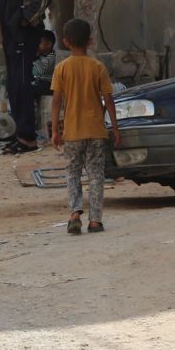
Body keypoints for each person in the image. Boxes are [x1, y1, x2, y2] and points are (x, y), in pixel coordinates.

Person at [50, 18, 120, 234]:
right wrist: (115, 128)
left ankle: (74, 215)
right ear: (90, 41)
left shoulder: (61, 69)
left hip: (72, 132)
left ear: (66, 42)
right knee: (96, 174)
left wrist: (55, 131)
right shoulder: (98, 67)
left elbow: (56, 102)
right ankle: (95, 220)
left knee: (73, 173)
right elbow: (108, 99)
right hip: (96, 132)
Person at [0, 0, 55, 154]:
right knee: (14, 85)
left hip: (24, 36)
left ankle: (28, 139)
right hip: (13, 37)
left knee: (23, 85)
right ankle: (20, 134)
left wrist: (26, 18)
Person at [31, 29, 58, 98]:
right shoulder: (42, 55)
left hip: (49, 85)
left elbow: (38, 71)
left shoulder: (51, 57)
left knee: (31, 89)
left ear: (48, 44)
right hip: (41, 82)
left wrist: (35, 59)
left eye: (40, 42)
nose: (37, 45)